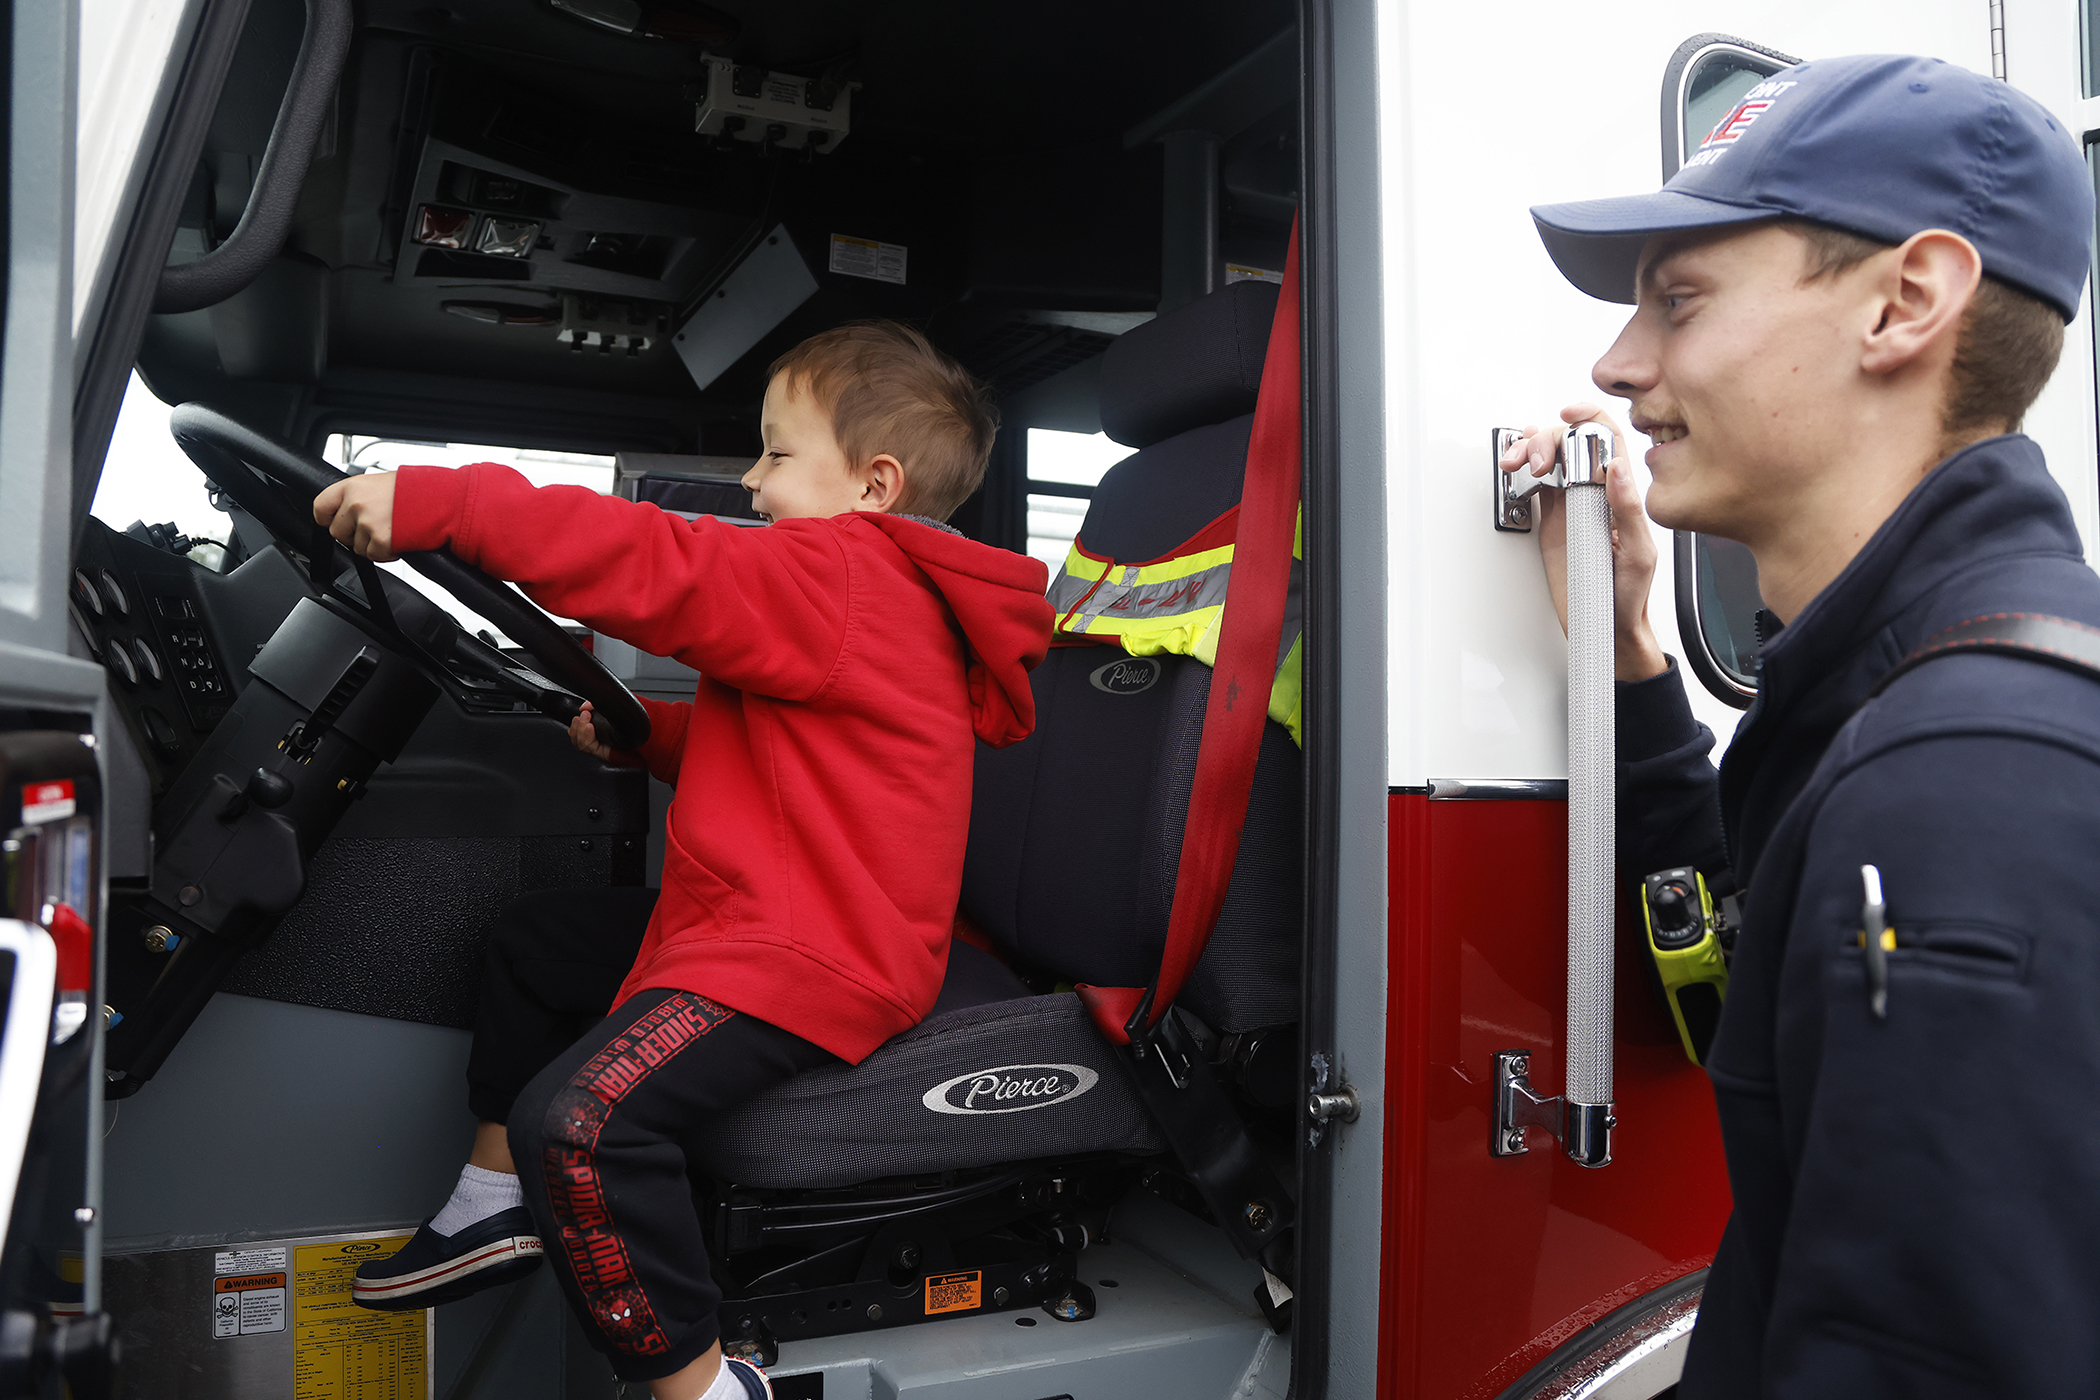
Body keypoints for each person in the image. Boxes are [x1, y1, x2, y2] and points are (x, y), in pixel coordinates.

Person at [312, 321, 1055, 1400]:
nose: (753, 484)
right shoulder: (860, 590)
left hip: (814, 950)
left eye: (776, 454)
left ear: (873, 485)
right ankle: (495, 1202)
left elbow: (663, 561)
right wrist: (646, 736)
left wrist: (452, 503)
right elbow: (791, 747)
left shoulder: (843, 570)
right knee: (534, 941)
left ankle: (705, 1386)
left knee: (579, 1122)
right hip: (762, 913)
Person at [1503, 55, 2100, 1397]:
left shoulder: (1978, 783)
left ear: (1905, 303)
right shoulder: (1891, 698)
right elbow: (1733, 1009)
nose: (1618, 360)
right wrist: (1629, 653)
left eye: (1679, 297)